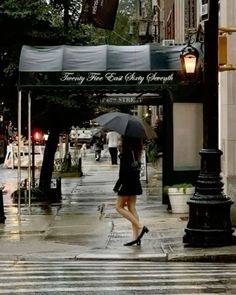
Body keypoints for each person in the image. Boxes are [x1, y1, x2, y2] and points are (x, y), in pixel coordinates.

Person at [113, 136, 149, 246]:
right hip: (134, 182)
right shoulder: (136, 151)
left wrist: (117, 186)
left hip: (127, 184)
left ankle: (140, 226)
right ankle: (136, 237)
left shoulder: (126, 153)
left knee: (118, 207)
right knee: (131, 207)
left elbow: (122, 173)